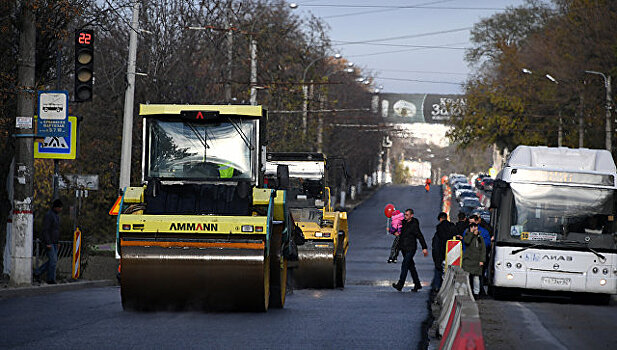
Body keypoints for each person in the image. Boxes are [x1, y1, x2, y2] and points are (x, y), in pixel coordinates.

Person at [392, 209, 428, 292]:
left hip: (411, 248)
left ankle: (400, 285)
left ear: (411, 215)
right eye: (405, 215)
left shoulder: (414, 225)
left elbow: (420, 236)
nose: (405, 216)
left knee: (405, 264)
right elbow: (398, 231)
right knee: (411, 267)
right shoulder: (403, 223)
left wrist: (424, 247)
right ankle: (417, 284)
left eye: (407, 215)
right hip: (403, 248)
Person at [34, 199, 63, 284]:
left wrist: (57, 242)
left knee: (52, 261)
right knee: (53, 261)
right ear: (56, 207)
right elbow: (45, 230)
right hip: (49, 242)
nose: (61, 210)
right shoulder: (49, 215)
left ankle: (37, 273)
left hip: (54, 242)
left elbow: (57, 230)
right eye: (60, 208)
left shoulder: (56, 216)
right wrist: (48, 243)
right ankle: (50, 279)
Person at [431, 212, 456, 291]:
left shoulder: (438, 231)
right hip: (451, 252)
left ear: (440, 219)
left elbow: (435, 245)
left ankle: (437, 286)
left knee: (438, 270)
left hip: (440, 253)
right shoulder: (452, 227)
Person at [462, 223, 486, 296]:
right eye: (472, 227)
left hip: (477, 260)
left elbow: (483, 250)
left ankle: (476, 293)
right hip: (468, 260)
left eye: (475, 227)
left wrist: (482, 260)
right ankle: (467, 291)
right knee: (467, 277)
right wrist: (471, 233)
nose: (474, 229)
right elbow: (467, 241)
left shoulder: (480, 238)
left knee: (476, 278)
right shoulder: (467, 235)